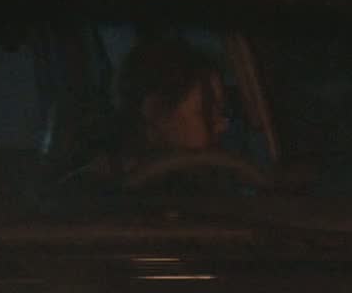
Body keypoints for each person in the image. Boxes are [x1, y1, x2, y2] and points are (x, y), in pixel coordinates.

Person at [62, 33, 261, 193]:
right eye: (204, 112)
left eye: (221, 110)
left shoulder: (220, 181)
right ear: (153, 110)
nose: (222, 124)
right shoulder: (89, 191)